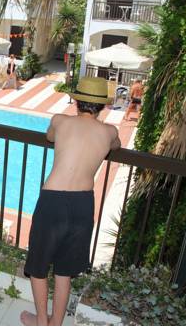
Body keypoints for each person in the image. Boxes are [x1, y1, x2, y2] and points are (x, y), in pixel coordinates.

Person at [21, 77, 121, 326]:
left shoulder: (60, 120)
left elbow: (50, 136)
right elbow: (116, 145)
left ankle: (42, 321)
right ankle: (56, 323)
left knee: (38, 266)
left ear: (76, 101)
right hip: (83, 205)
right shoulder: (109, 132)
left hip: (53, 201)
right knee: (64, 271)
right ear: (102, 106)